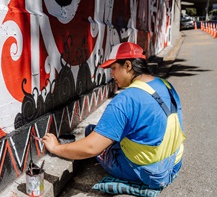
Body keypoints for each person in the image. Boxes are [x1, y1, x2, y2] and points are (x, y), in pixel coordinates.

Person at [42, 42, 186, 189]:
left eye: (113, 68)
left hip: (150, 173)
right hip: (174, 162)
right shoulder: (166, 85)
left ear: (128, 66)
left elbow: (91, 148)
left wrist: (55, 148)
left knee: (91, 132)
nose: (111, 74)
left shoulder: (126, 99)